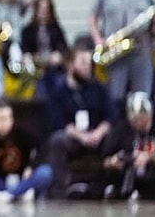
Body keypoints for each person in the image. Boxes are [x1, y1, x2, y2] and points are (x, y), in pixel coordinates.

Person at [89, 0, 155, 122]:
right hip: (115, 52)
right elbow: (92, 18)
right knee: (114, 97)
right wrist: (98, 40)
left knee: (142, 97)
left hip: (141, 52)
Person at [45, 42, 114, 199]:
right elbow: (59, 122)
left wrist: (97, 133)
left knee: (114, 139)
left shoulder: (99, 88)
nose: (87, 67)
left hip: (97, 137)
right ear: (70, 65)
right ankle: (59, 191)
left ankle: (108, 187)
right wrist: (82, 136)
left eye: (89, 63)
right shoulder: (59, 93)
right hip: (75, 138)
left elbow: (110, 117)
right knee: (57, 140)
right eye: (82, 63)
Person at [100, 91, 155, 200]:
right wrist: (114, 161)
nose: (137, 123)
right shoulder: (121, 129)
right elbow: (105, 157)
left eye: (141, 119)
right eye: (134, 120)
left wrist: (150, 157)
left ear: (149, 114)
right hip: (125, 178)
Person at [0, 99, 52, 203]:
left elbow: (43, 147)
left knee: (45, 172)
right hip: (0, 181)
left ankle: (9, 196)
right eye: (1, 119)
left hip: (22, 179)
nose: (5, 123)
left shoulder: (22, 132)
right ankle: (19, 195)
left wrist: (31, 166)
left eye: (8, 118)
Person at [19, 0, 69, 100]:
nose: (43, 12)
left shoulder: (56, 29)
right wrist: (27, 57)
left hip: (54, 69)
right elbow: (24, 49)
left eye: (46, 9)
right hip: (36, 70)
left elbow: (64, 48)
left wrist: (59, 55)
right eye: (41, 9)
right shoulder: (28, 30)